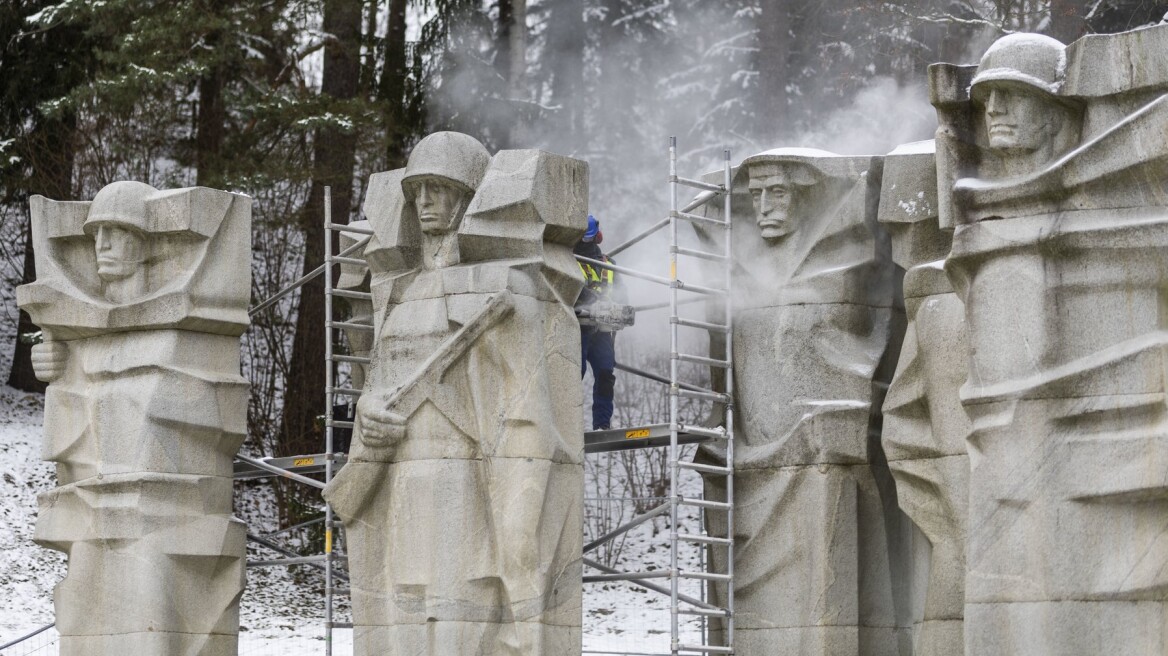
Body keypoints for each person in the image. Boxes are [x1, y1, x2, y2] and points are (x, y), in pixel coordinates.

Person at [575, 214, 620, 430]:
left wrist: (621, 310)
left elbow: (622, 295)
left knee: (605, 373)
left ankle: (602, 424)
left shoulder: (608, 264)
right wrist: (592, 300)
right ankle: (569, 422)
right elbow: (572, 290)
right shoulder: (569, 262)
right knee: (576, 371)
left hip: (602, 329)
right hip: (578, 329)